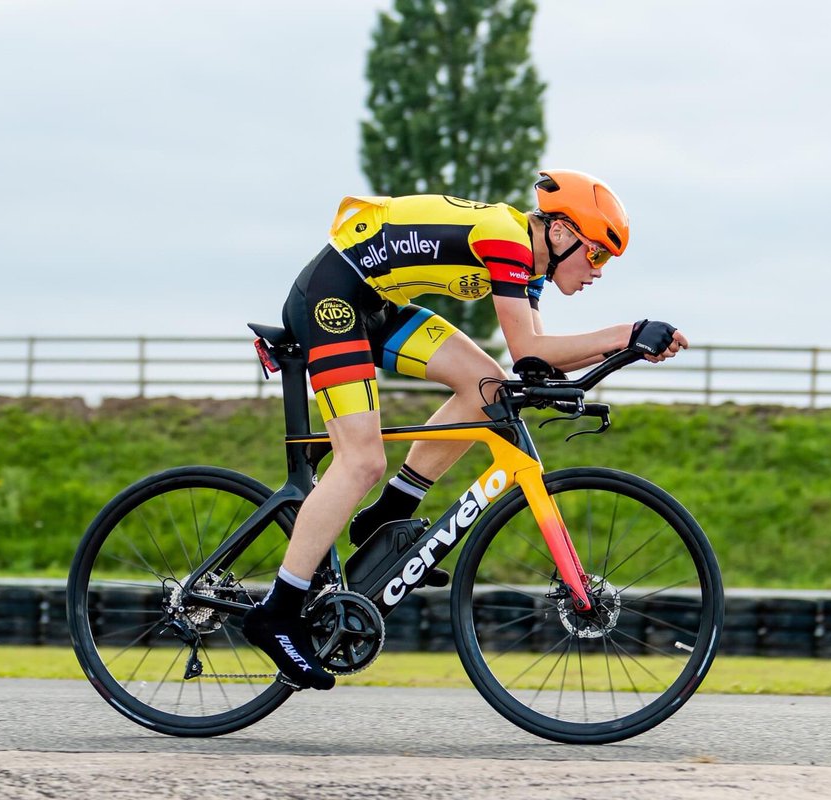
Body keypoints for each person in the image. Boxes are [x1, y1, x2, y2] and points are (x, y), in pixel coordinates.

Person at [242, 169, 689, 689]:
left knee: (486, 386)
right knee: (361, 460)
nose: (599, 270)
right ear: (562, 233)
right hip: (331, 299)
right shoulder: (507, 240)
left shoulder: (531, 265)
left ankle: (389, 515)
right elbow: (531, 351)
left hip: (375, 304)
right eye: (597, 254)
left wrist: (624, 348)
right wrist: (626, 332)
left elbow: (533, 364)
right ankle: (278, 610)